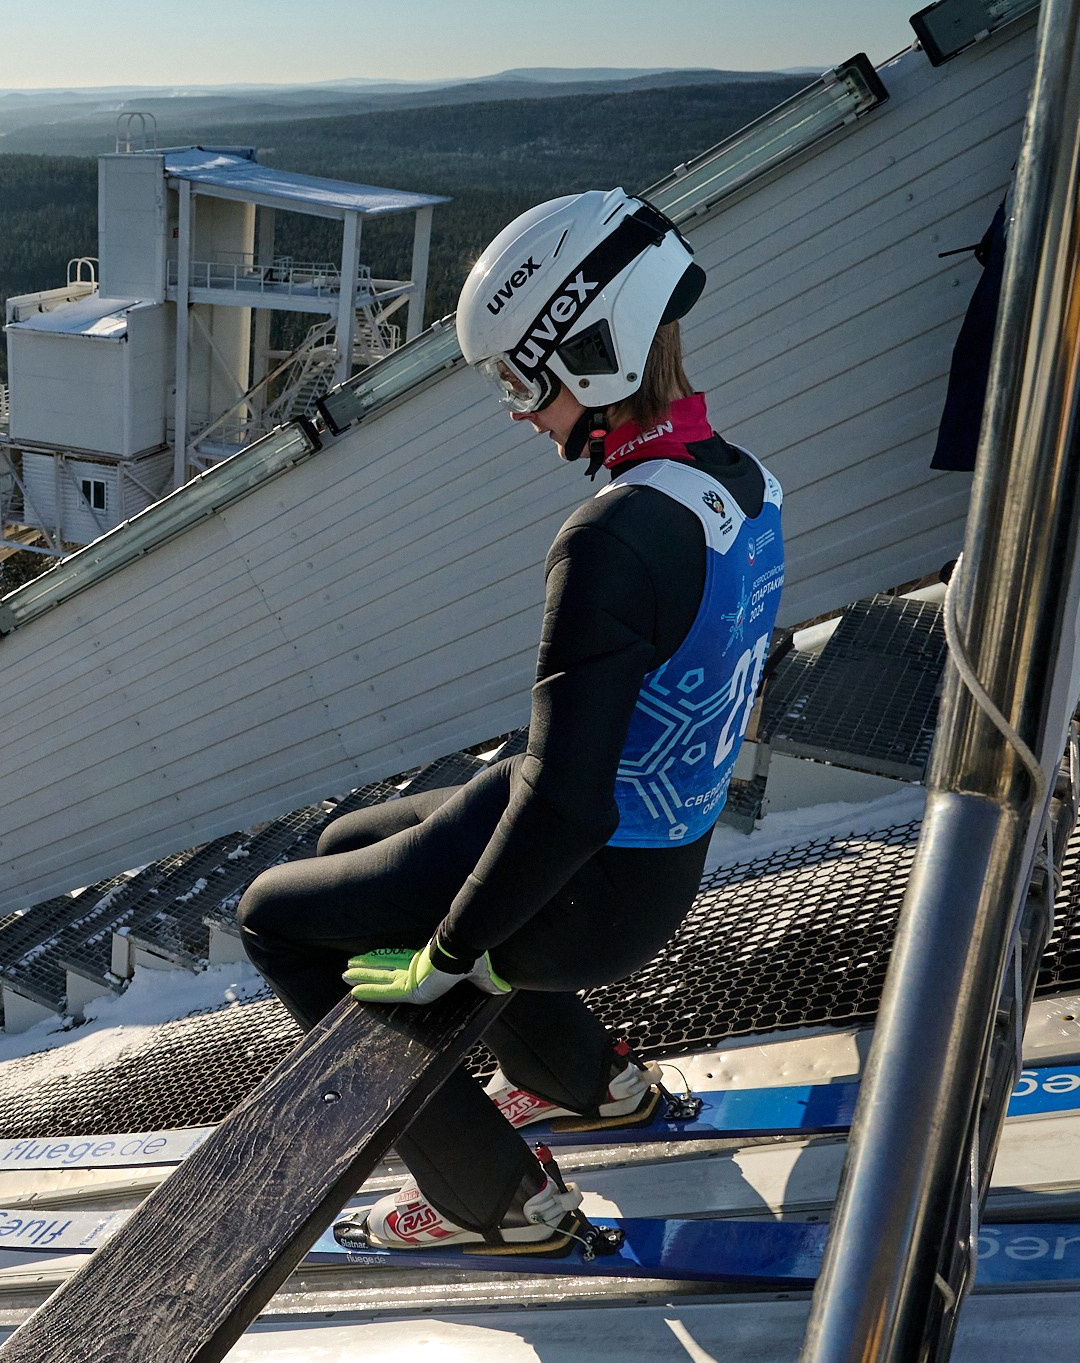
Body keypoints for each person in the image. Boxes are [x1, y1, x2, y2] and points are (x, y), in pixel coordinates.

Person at [235, 188, 787, 1253]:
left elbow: (566, 807)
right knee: (351, 841)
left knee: (275, 915)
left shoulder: (610, 539)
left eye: (521, 381)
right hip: (649, 859)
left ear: (590, 354)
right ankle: (582, 1078)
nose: (518, 412)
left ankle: (489, 1197)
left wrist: (449, 952)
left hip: (589, 893)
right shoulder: (744, 486)